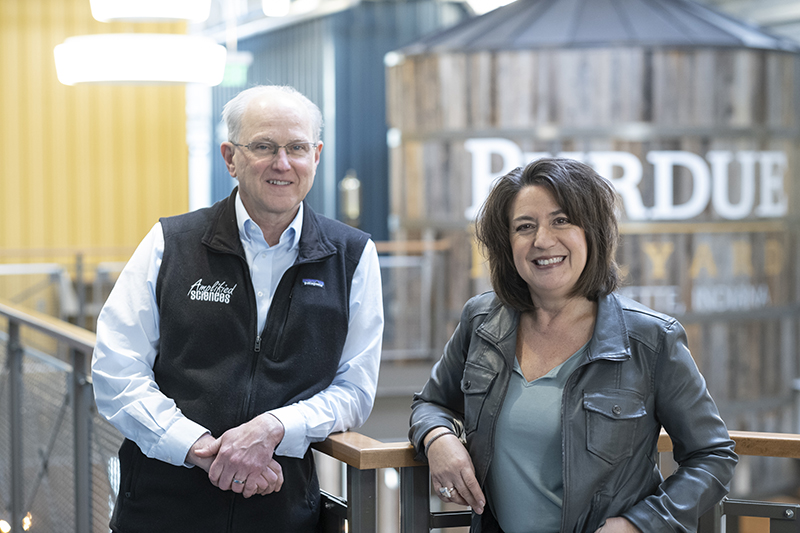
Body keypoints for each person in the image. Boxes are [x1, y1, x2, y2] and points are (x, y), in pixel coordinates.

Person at [92, 85, 384, 532]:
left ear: (317, 155)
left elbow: (355, 389)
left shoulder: (351, 256)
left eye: (297, 148)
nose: (282, 163)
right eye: (264, 146)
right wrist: (200, 448)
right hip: (161, 507)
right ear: (230, 157)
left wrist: (273, 427)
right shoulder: (172, 243)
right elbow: (117, 370)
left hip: (281, 510)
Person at [409, 158, 737, 533]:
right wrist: (438, 439)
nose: (542, 240)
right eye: (524, 226)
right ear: (507, 243)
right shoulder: (481, 321)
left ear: (592, 232)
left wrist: (640, 525)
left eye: (561, 220)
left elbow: (712, 456)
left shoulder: (651, 339)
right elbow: (430, 403)